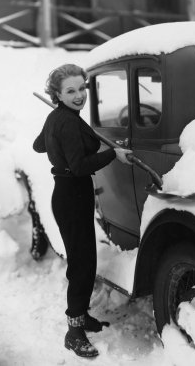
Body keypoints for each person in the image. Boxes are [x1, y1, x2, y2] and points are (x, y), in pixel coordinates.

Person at [33, 64, 132, 358]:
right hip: (72, 195)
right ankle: (74, 331)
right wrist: (112, 154)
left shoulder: (59, 118)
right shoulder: (67, 121)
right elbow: (78, 167)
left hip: (67, 195)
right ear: (58, 94)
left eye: (81, 88)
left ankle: (83, 316)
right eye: (70, 91)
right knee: (82, 265)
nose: (79, 96)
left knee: (83, 259)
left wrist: (56, 132)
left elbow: (39, 146)